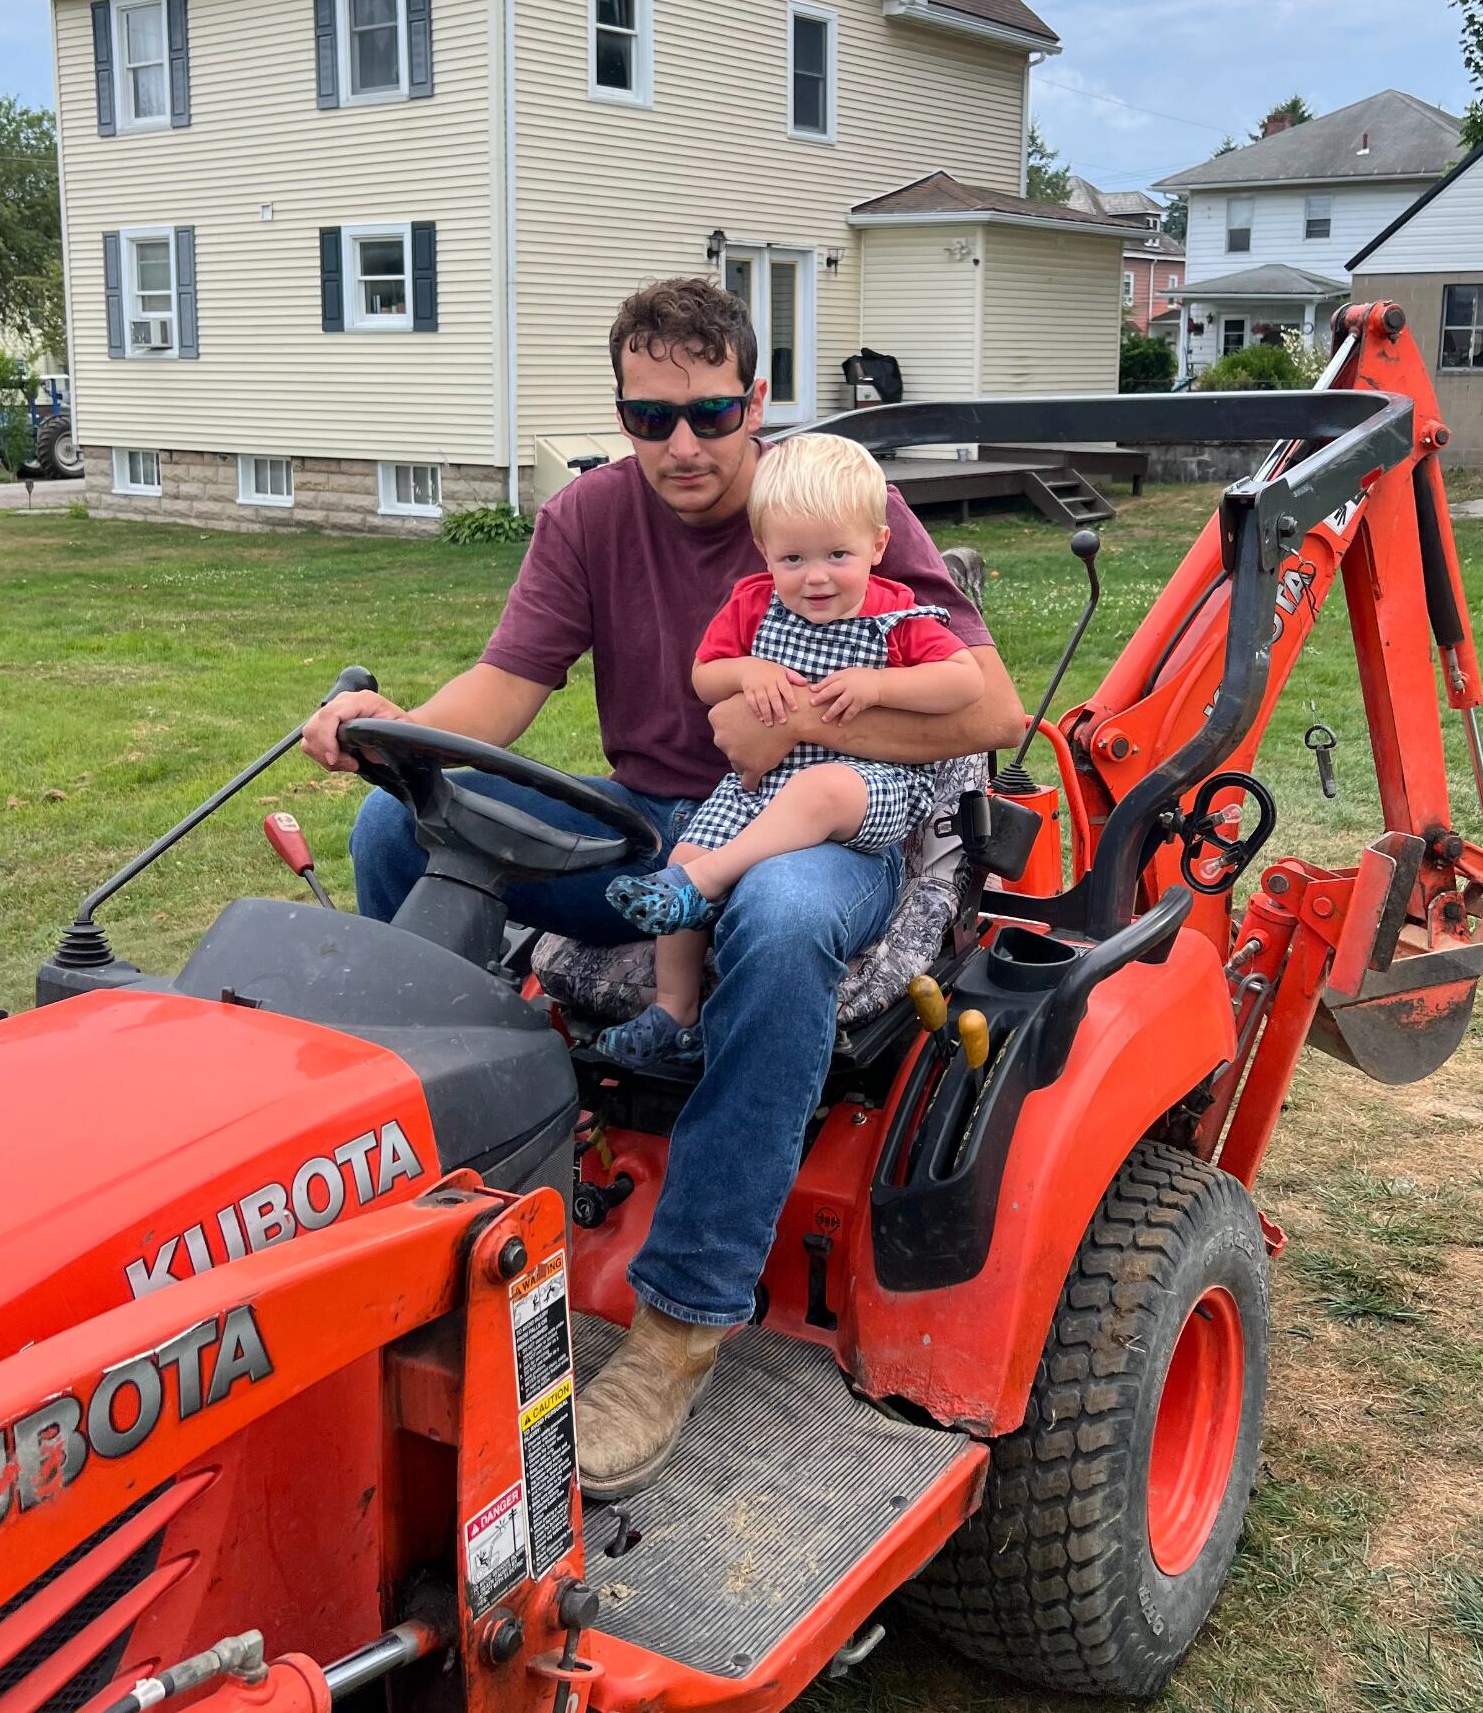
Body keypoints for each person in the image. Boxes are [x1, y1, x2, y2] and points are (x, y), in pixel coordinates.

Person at [302, 277, 1022, 1499]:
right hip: (652, 821)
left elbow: (992, 713)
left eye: (709, 413)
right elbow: (506, 687)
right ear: (622, 414)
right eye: (650, 418)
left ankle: (681, 1321)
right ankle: (461, 1182)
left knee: (778, 918)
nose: (682, 445)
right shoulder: (589, 517)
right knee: (395, 828)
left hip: (828, 831)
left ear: (756, 401)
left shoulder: (837, 503)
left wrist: (794, 736)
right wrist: (395, 729)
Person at [595, 433, 982, 1068]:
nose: (816, 576)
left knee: (814, 793)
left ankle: (709, 882)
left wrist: (880, 685)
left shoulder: (901, 619)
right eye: (794, 558)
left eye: (838, 554)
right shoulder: (754, 604)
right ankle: (674, 1006)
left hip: (870, 789)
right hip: (764, 783)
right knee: (685, 850)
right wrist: (747, 671)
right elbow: (704, 676)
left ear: (878, 545)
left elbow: (965, 683)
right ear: (764, 550)